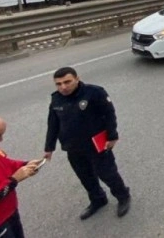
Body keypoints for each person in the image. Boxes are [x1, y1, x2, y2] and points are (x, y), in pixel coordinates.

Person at [44, 67, 131, 220]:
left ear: (77, 79)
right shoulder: (56, 98)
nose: (63, 87)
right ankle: (98, 200)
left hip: (97, 145)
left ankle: (123, 196)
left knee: (108, 174)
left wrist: (112, 136)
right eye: (58, 84)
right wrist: (49, 147)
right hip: (73, 147)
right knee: (85, 177)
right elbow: (53, 123)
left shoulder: (94, 93)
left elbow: (109, 114)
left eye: (67, 82)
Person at [0, 116, 41, 238]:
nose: (1, 139)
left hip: (9, 210)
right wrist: (13, 180)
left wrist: (25, 165)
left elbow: (5, 163)